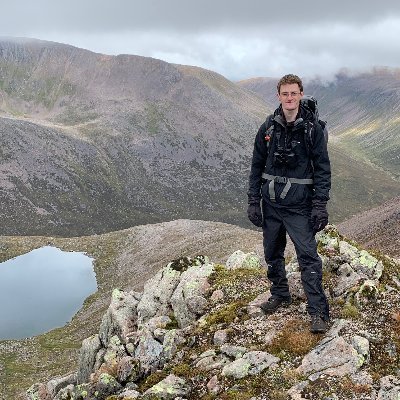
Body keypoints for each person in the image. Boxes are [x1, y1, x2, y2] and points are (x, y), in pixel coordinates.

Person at [247, 74, 331, 333]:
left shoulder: (312, 129)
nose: (290, 98)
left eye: (294, 93)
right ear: (279, 96)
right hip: (271, 204)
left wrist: (319, 205)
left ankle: (318, 312)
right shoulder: (268, 128)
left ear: (301, 94)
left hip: (299, 207)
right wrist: (253, 201)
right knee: (272, 252)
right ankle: (280, 294)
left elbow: (322, 169)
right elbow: (257, 165)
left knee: (307, 257)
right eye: (285, 94)